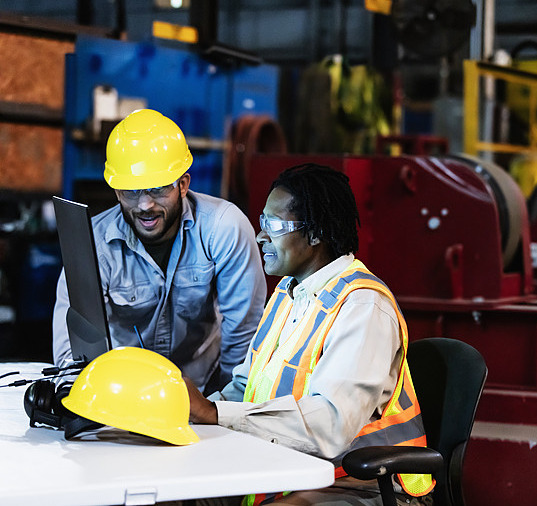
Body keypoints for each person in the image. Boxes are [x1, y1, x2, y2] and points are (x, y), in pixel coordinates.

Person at [185, 163, 434, 506]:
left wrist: (214, 414)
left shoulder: (363, 306)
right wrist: (191, 414)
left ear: (316, 233)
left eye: (274, 225)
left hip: (361, 484)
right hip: (292, 469)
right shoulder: (289, 293)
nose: (261, 236)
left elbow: (331, 425)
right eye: (262, 222)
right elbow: (248, 388)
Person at [52, 109, 267, 394]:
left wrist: (224, 408)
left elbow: (243, 332)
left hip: (205, 385)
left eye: (157, 189)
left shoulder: (224, 228)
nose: (145, 205)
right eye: (131, 191)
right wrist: (84, 396)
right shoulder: (94, 244)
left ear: (183, 184)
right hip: (123, 392)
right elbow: (74, 350)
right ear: (116, 192)